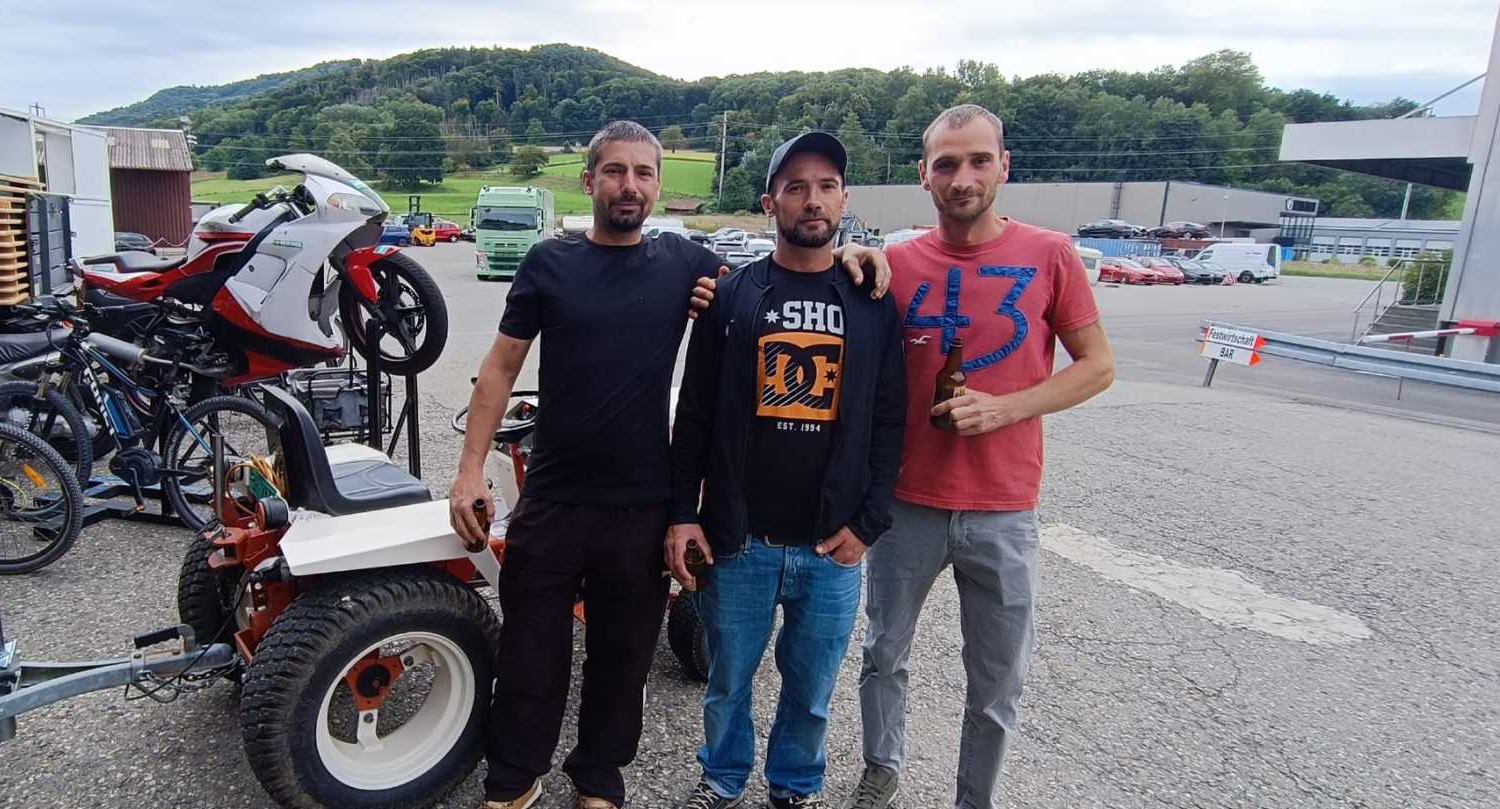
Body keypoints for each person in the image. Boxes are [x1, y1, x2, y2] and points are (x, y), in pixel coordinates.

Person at [450, 121, 891, 809]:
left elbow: (787, 262)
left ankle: (599, 779)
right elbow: (502, 367)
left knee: (622, 659)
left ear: (657, 184)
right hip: (553, 498)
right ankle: (513, 779)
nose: (629, 185)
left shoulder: (687, 263)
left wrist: (852, 252)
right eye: (615, 171)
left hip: (641, 504)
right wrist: (470, 469)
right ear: (589, 180)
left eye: (644, 173)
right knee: (531, 651)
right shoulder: (548, 262)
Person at [845, 104, 1116, 809]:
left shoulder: (1050, 254)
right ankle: (881, 769)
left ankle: (975, 799)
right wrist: (850, 255)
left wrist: (1008, 407)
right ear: (924, 174)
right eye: (946, 163)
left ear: (1004, 166)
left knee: (997, 679)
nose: (962, 177)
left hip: (1003, 507)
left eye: (978, 161)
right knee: (883, 652)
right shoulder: (899, 264)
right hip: (907, 502)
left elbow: (1097, 366)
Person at [665, 131, 907, 809]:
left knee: (811, 689)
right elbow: (695, 416)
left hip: (831, 546)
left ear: (844, 200)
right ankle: (722, 779)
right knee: (728, 681)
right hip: (741, 541)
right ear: (771, 202)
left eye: (826, 186)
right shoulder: (732, 297)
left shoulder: (870, 299)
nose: (812, 199)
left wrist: (869, 522)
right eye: (795, 187)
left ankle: (794, 786)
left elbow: (890, 417)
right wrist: (683, 514)